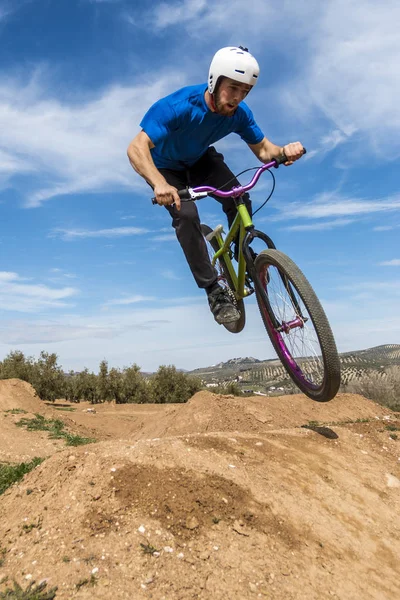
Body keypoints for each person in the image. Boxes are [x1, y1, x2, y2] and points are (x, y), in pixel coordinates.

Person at [127, 46, 304, 325]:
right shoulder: (178, 107)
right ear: (214, 80)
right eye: (233, 87)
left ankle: (243, 256)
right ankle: (214, 291)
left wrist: (285, 152)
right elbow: (136, 148)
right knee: (186, 216)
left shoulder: (239, 114)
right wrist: (159, 184)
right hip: (166, 168)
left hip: (200, 160)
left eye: (245, 91)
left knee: (240, 197)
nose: (237, 97)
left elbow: (265, 150)